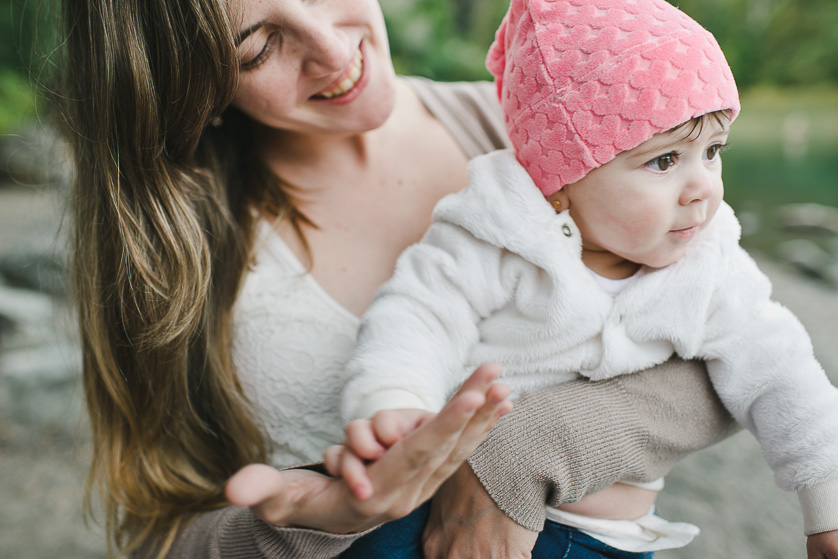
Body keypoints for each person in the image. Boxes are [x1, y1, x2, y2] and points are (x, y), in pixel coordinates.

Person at [56, 0, 741, 557]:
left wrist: (514, 458)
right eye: (259, 47)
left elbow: (744, 341)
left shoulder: (529, 126)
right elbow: (156, 535)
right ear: (188, 82)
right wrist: (317, 518)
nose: (333, 46)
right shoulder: (169, 249)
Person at [339, 0, 838, 557]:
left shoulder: (711, 265)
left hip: (610, 543)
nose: (703, 188)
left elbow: (780, 372)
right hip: (449, 513)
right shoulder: (498, 236)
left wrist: (827, 504)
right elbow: (418, 314)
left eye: (713, 151)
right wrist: (395, 401)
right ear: (559, 182)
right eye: (665, 161)